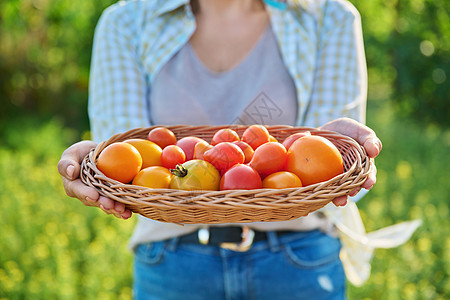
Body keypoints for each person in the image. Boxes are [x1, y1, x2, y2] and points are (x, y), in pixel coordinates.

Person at [58, 0, 383, 299]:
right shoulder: (126, 22)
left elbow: (319, 168)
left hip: (297, 261)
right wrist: (96, 162)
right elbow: (129, 162)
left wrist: (345, 153)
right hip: (172, 264)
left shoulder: (327, 16)